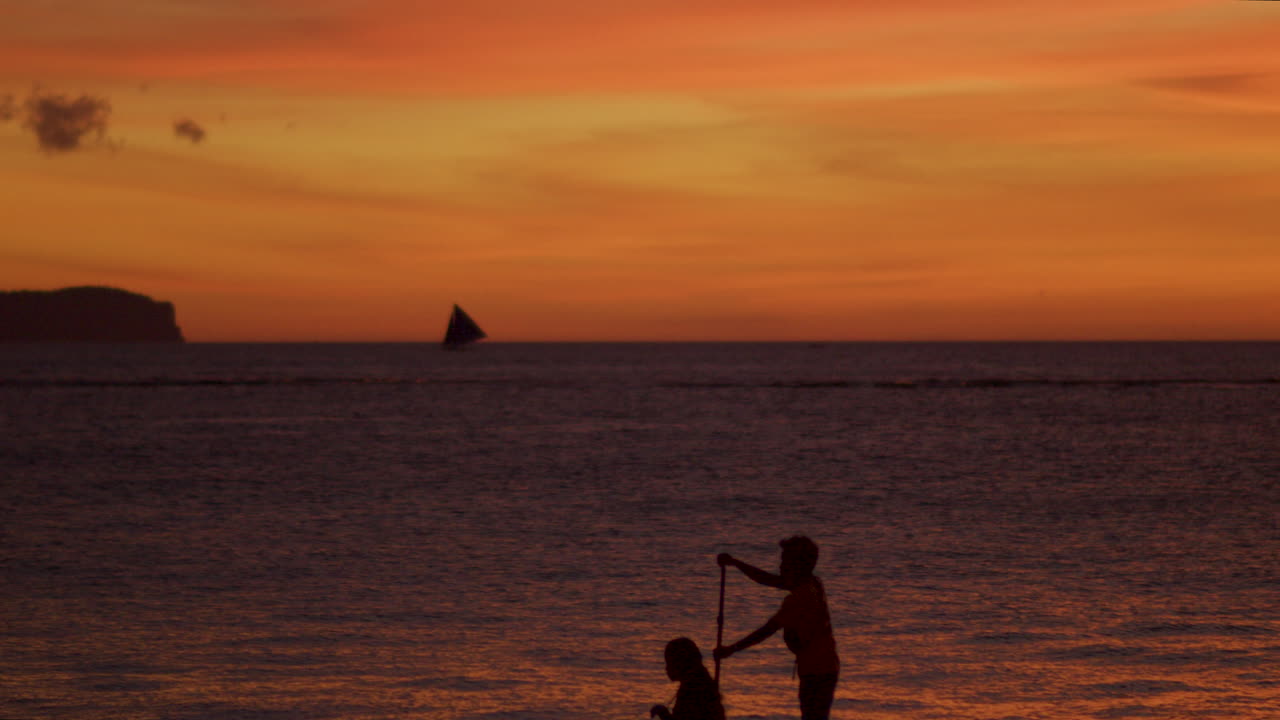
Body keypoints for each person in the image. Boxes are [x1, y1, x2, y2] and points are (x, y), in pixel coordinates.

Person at [714, 536, 839, 720]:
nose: (780, 566)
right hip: (825, 667)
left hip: (817, 672)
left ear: (798, 566)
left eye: (785, 561)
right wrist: (736, 563)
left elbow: (767, 630)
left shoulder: (799, 598)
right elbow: (769, 579)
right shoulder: (813, 582)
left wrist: (731, 649)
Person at [650, 637, 726, 720]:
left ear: (681, 663)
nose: (667, 668)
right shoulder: (700, 683)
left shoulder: (693, 690)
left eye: (669, 662)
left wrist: (663, 714)